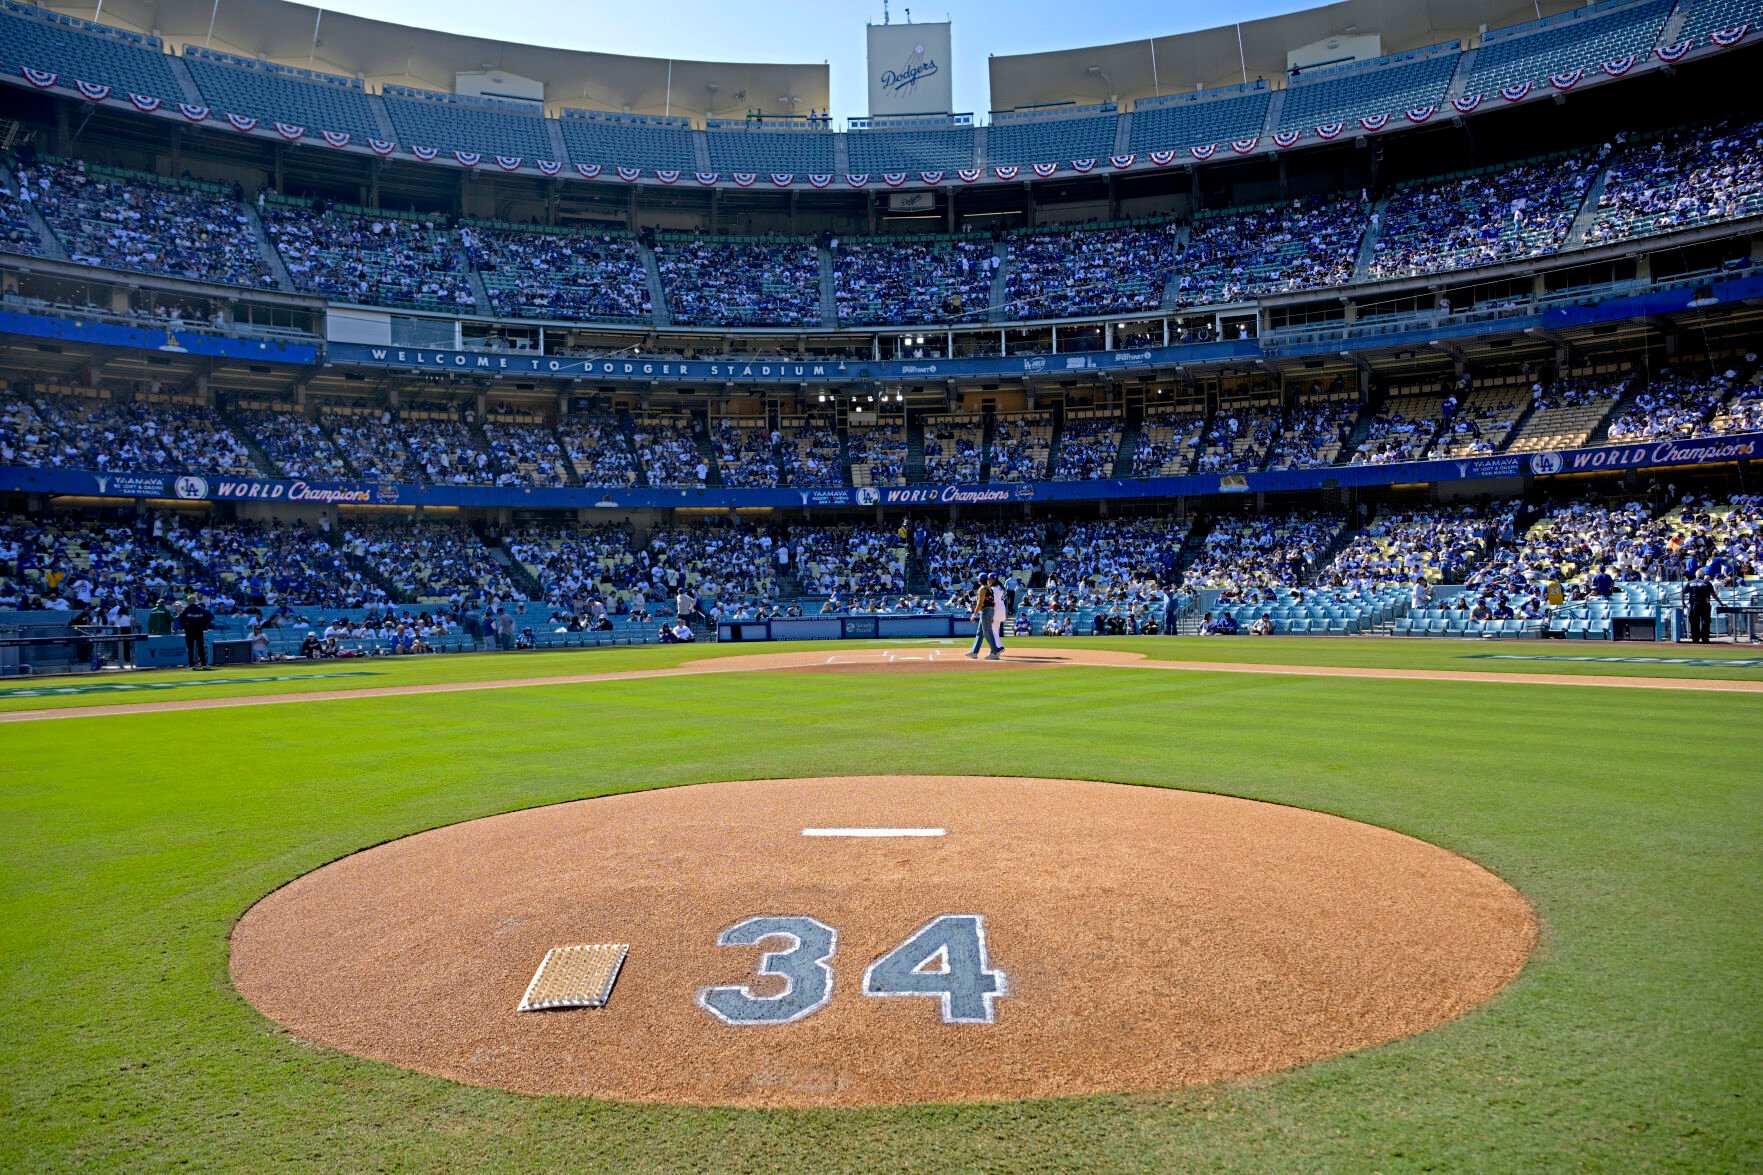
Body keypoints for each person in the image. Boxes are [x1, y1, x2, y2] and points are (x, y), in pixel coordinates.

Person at [965, 575, 1002, 660]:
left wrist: (974, 614)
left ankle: (994, 652)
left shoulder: (982, 589)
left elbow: (980, 603)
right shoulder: (989, 588)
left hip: (985, 611)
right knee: (980, 632)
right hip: (990, 610)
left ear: (980, 580)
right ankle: (974, 652)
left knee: (987, 632)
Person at [1682, 570, 1724, 645]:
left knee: (1694, 622)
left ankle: (1695, 638)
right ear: (1703, 575)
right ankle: (1705, 638)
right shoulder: (1707, 583)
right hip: (1705, 604)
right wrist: (1721, 603)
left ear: (1696, 575)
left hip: (1694, 604)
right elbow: (1713, 595)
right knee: (1705, 621)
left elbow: (1682, 592)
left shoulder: (1690, 583)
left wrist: (1683, 603)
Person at [178, 595, 214, 670]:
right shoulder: (201, 609)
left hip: (189, 632)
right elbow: (210, 617)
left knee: (190, 648)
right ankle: (203, 664)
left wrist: (186, 627)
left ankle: (191, 665)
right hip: (199, 631)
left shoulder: (186, 610)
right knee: (200, 648)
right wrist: (203, 626)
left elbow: (181, 621)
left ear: (188, 601)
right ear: (195, 601)